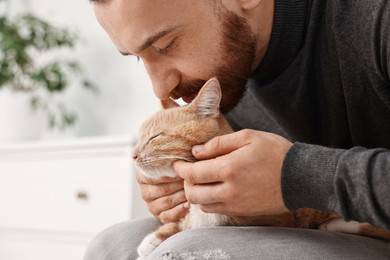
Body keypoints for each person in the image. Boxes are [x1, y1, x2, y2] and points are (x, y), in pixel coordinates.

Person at [85, 0, 390, 259]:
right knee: (112, 245)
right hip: (316, 230)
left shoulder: (376, 17)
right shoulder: (227, 76)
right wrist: (179, 192)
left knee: (190, 251)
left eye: (166, 45)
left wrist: (296, 176)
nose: (160, 89)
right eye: (139, 58)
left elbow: (293, 183)